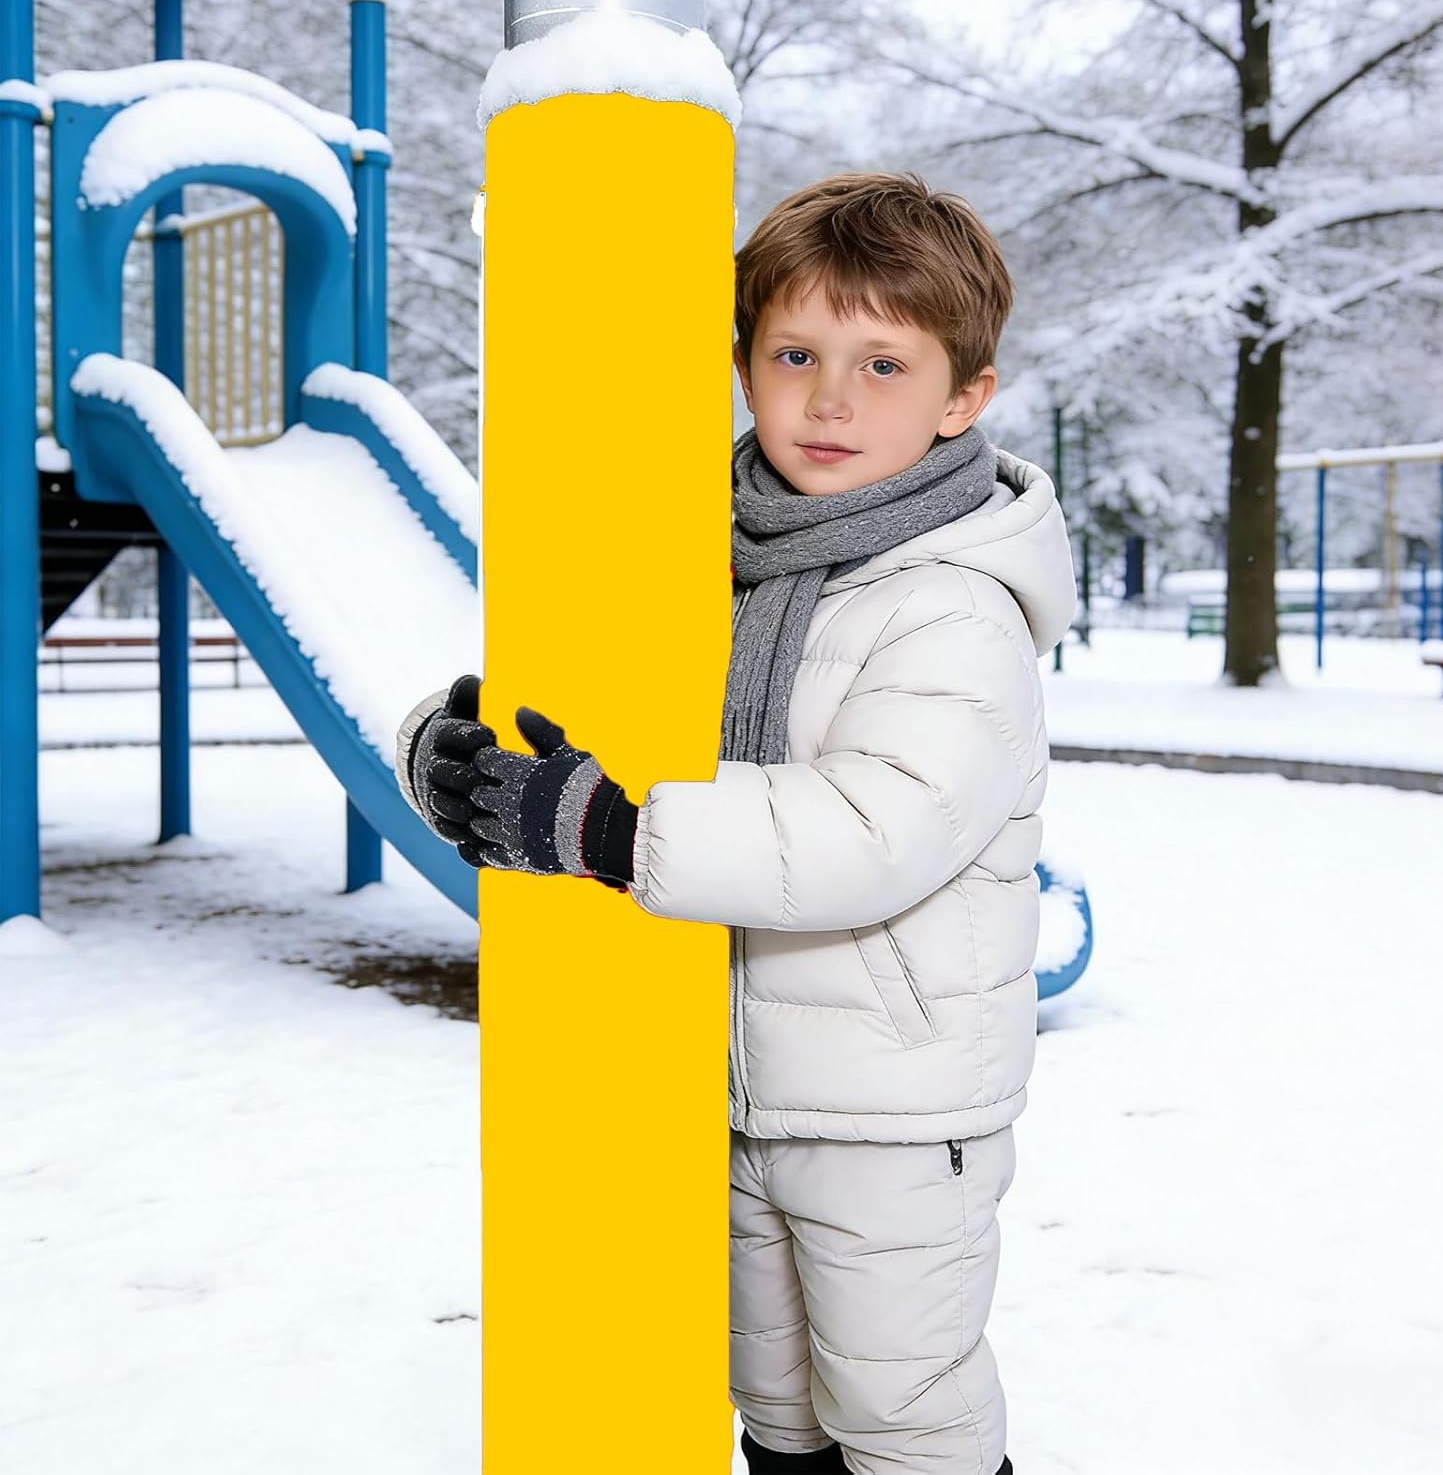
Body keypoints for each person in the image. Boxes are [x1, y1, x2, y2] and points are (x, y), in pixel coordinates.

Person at [396, 171, 1076, 1475]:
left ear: (963, 400)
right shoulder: (714, 549)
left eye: (885, 363)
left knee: (902, 1413)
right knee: (778, 1409)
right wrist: (457, 744)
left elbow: (874, 828)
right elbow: (600, 684)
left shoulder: (953, 608)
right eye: (797, 354)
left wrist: (611, 831)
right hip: (732, 1089)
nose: (831, 397)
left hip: (892, 1106)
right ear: (744, 365)